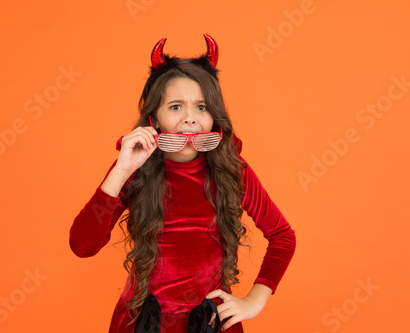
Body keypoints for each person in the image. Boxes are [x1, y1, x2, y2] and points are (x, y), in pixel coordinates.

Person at [69, 34, 296, 332]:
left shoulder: (232, 169)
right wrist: (122, 169)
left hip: (210, 323)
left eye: (202, 108)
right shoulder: (132, 169)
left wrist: (255, 299)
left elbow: (283, 235)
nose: (190, 119)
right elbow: (82, 246)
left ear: (215, 117)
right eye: (176, 107)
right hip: (142, 322)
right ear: (155, 119)